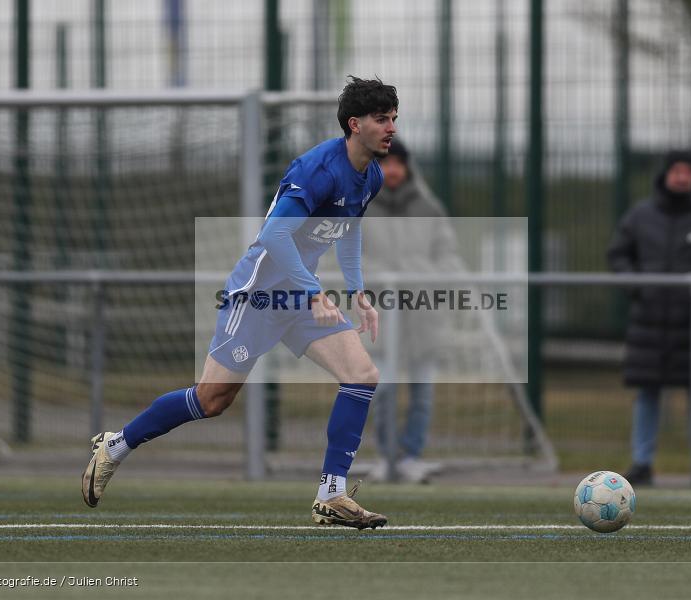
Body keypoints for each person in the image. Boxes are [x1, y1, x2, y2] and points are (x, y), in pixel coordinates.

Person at [81, 76, 398, 529]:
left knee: (362, 375)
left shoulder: (372, 175)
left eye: (393, 119)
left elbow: (348, 231)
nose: (391, 128)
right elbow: (273, 235)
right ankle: (115, 445)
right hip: (260, 293)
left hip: (301, 297)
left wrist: (358, 291)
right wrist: (314, 292)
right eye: (381, 119)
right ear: (354, 124)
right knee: (212, 400)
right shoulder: (317, 169)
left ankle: (332, 493)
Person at [608, 150, 691, 487]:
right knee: (647, 393)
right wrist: (637, 288)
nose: (681, 177)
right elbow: (619, 255)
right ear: (665, 175)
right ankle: (642, 463)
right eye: (676, 171)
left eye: (688, 171)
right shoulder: (640, 216)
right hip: (648, 323)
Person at [362, 139, 464, 483]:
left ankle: (411, 457)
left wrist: (421, 274)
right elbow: (350, 258)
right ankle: (387, 456)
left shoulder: (428, 207)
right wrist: (385, 277)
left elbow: (448, 257)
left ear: (406, 167)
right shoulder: (362, 206)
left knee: (422, 392)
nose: (392, 169)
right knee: (383, 389)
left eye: (397, 163)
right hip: (383, 316)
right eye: (385, 162)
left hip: (423, 315)